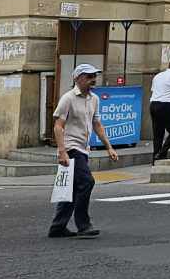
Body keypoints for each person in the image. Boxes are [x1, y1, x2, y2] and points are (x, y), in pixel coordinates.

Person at [49, 64, 119, 239]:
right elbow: (58, 126)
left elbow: (97, 124)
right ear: (77, 78)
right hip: (72, 148)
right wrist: (62, 151)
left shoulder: (94, 99)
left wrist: (109, 147)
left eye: (94, 76)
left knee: (72, 189)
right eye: (88, 77)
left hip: (83, 148)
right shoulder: (68, 98)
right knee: (87, 182)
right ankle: (83, 224)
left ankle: (57, 227)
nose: (93, 80)